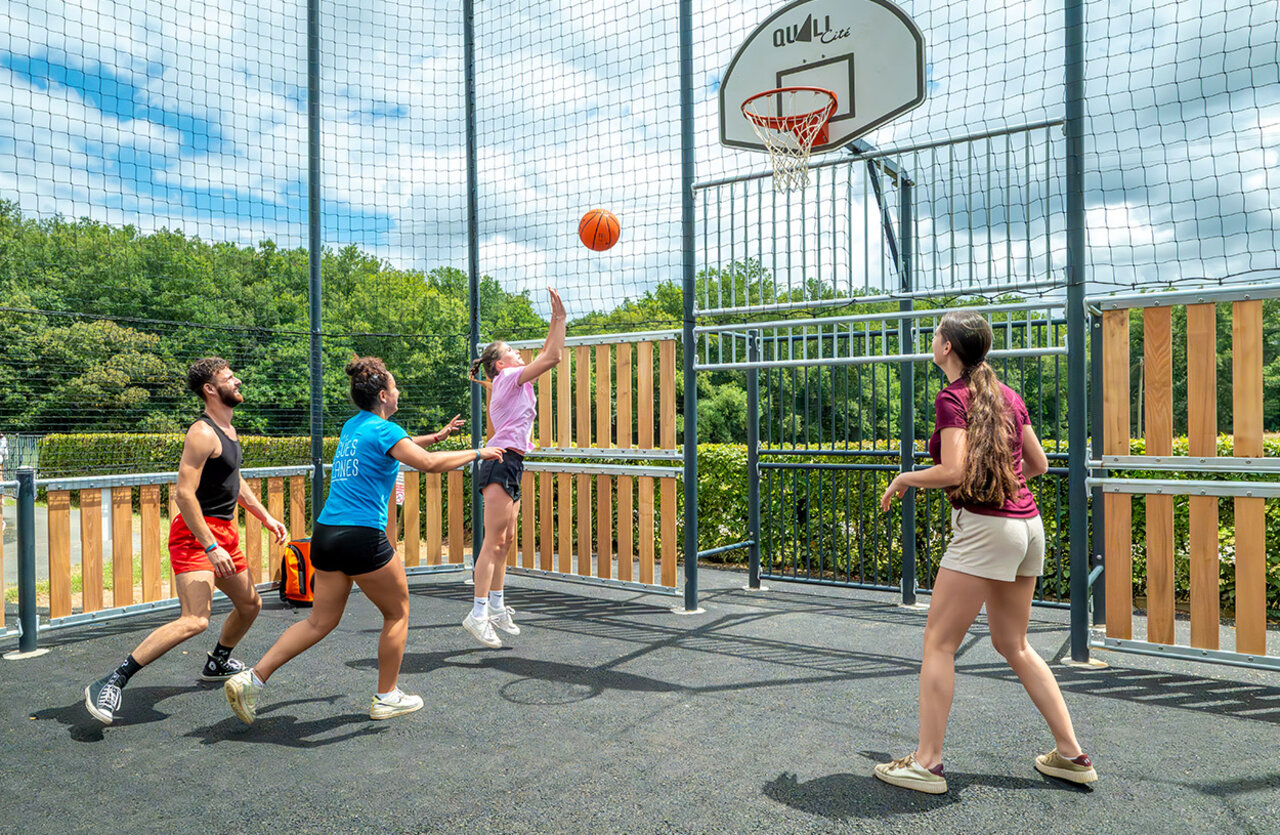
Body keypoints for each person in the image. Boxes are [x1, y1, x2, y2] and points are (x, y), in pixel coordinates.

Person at [874, 310, 1096, 793]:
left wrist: (905, 477)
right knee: (1013, 644)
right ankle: (1071, 755)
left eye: (935, 335)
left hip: (988, 530)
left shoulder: (953, 398)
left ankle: (927, 763)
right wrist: (999, 482)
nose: (932, 340)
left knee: (939, 643)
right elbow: (1036, 464)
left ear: (947, 348)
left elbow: (952, 471)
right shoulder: (1007, 397)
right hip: (1027, 525)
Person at [225, 357, 504, 724]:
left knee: (318, 622)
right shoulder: (386, 432)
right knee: (397, 612)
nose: (399, 391)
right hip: (361, 536)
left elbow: (400, 448)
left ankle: (252, 679)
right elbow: (429, 464)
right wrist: (478, 452)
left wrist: (435, 437)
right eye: (395, 386)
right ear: (385, 395)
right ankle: (387, 696)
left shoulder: (354, 427)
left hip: (326, 534)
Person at [84, 358, 288, 725]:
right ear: (211, 389)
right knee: (195, 619)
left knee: (250, 604)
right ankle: (111, 681)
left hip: (223, 533)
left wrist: (266, 517)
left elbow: (234, 481)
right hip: (197, 536)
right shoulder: (202, 432)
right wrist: (211, 545)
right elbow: (183, 494)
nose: (237, 381)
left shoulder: (229, 430)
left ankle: (217, 661)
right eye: (229, 378)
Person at [463, 288, 566, 648]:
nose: (518, 353)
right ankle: (477, 614)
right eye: (511, 351)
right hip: (500, 461)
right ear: (501, 364)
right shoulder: (508, 378)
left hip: (512, 460)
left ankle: (496, 605)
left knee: (505, 541)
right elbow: (551, 356)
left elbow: (541, 357)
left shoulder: (507, 381)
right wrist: (559, 318)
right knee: (493, 542)